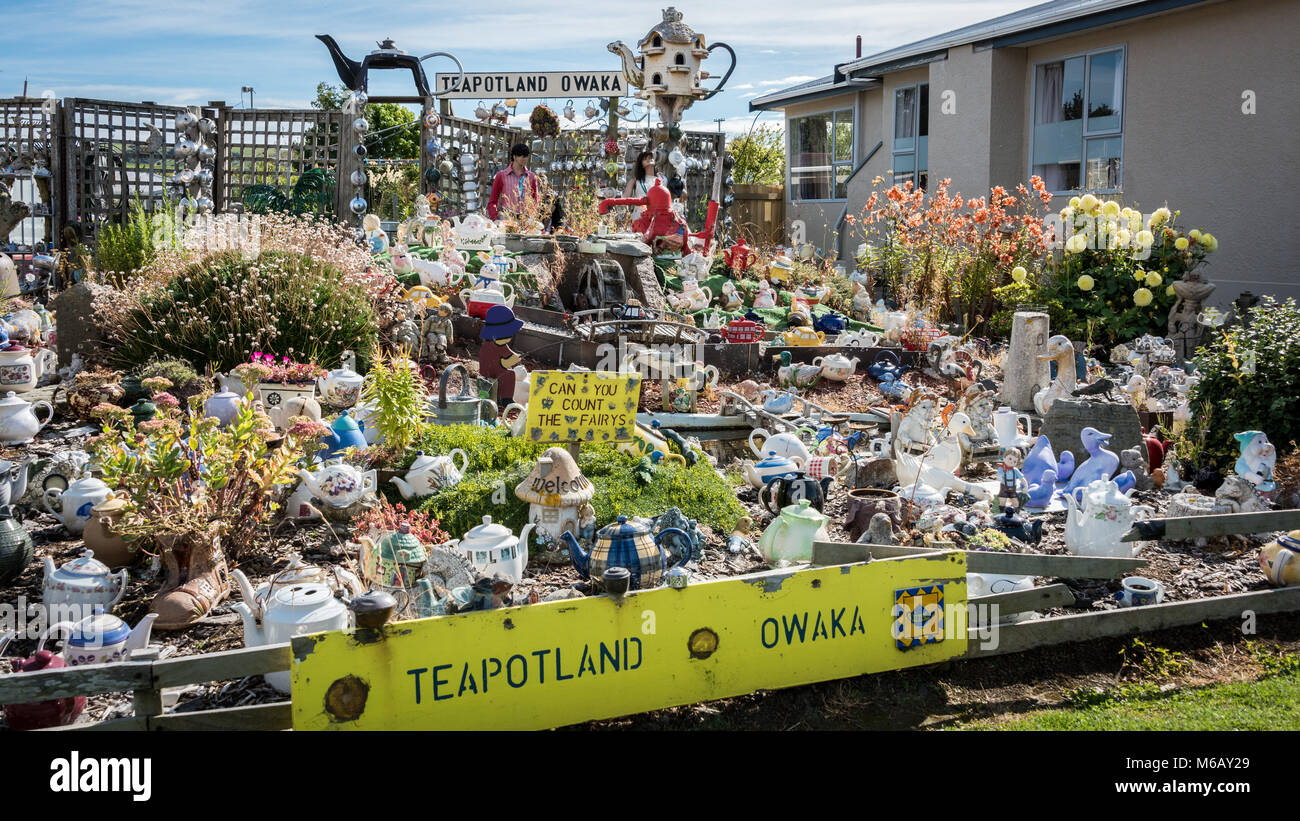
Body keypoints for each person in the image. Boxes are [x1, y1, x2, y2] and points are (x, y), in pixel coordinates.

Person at [487, 143, 540, 221]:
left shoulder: (532, 177)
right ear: (514, 156)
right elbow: (492, 201)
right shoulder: (502, 175)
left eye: (526, 156)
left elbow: (535, 200)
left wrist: (532, 218)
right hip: (506, 217)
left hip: (525, 219)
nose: (524, 158)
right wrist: (495, 219)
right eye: (521, 156)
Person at [623, 151, 666, 219]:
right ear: (641, 164)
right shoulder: (635, 181)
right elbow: (624, 200)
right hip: (640, 218)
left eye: (650, 157)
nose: (648, 159)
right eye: (645, 158)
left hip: (657, 217)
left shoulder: (662, 180)